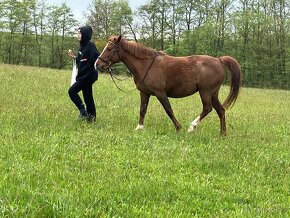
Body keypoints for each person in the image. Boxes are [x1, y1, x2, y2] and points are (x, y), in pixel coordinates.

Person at [67, 26, 99, 122]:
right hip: (82, 76)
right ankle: (91, 117)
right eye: (78, 33)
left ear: (85, 35)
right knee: (88, 97)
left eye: (79, 33)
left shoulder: (91, 46)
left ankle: (83, 112)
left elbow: (97, 60)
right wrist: (74, 57)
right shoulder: (82, 46)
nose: (78, 35)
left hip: (87, 77)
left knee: (72, 91)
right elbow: (82, 61)